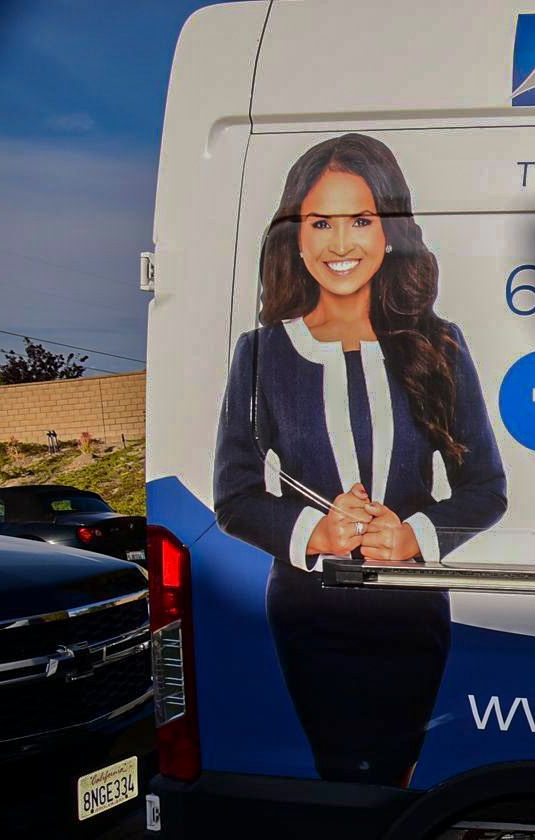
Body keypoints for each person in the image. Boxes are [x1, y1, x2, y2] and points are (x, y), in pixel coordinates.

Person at [213, 133, 506, 786]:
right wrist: (315, 531)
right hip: (309, 615)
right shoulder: (261, 353)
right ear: (294, 234)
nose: (340, 243)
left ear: (390, 232)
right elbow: (235, 495)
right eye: (320, 222)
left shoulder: (438, 345)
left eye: (361, 221)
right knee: (339, 773)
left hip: (411, 615)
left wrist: (413, 536)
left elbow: (485, 487)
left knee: (396, 777)